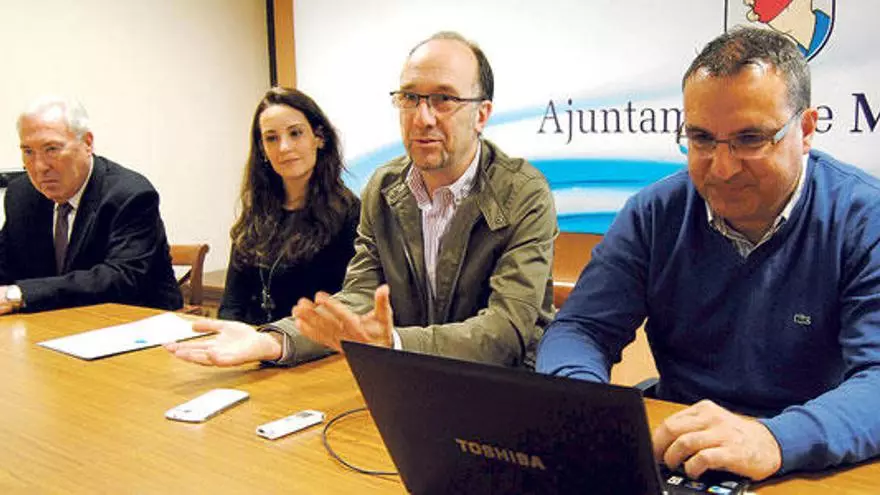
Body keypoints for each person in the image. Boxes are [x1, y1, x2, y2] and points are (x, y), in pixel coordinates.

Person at [537, 26, 880, 481]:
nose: (722, 168)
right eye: (701, 139)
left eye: (750, 139)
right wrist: (586, 408)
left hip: (808, 460)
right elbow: (581, 328)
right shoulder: (655, 213)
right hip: (680, 448)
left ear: (806, 129)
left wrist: (774, 439)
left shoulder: (864, 219)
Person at [166, 31, 557, 368]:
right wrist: (275, 341)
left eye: (444, 99)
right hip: (402, 380)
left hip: (496, 389)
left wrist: (393, 343)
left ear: (481, 115)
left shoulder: (523, 193)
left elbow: (506, 330)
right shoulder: (383, 188)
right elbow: (358, 297)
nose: (422, 118)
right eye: (410, 97)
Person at [0, 97, 182, 313]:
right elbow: (6, 263)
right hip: (59, 321)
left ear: (87, 143)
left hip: (136, 319)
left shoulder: (130, 194)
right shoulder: (22, 194)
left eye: (51, 149)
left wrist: (18, 294)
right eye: (28, 152)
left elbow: (121, 278)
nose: (39, 167)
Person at [217, 87, 360, 325]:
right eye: (271, 138)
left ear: (319, 138)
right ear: (262, 149)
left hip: (310, 343)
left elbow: (344, 309)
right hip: (251, 341)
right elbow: (232, 304)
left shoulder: (349, 214)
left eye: (295, 133)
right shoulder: (256, 211)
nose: (284, 147)